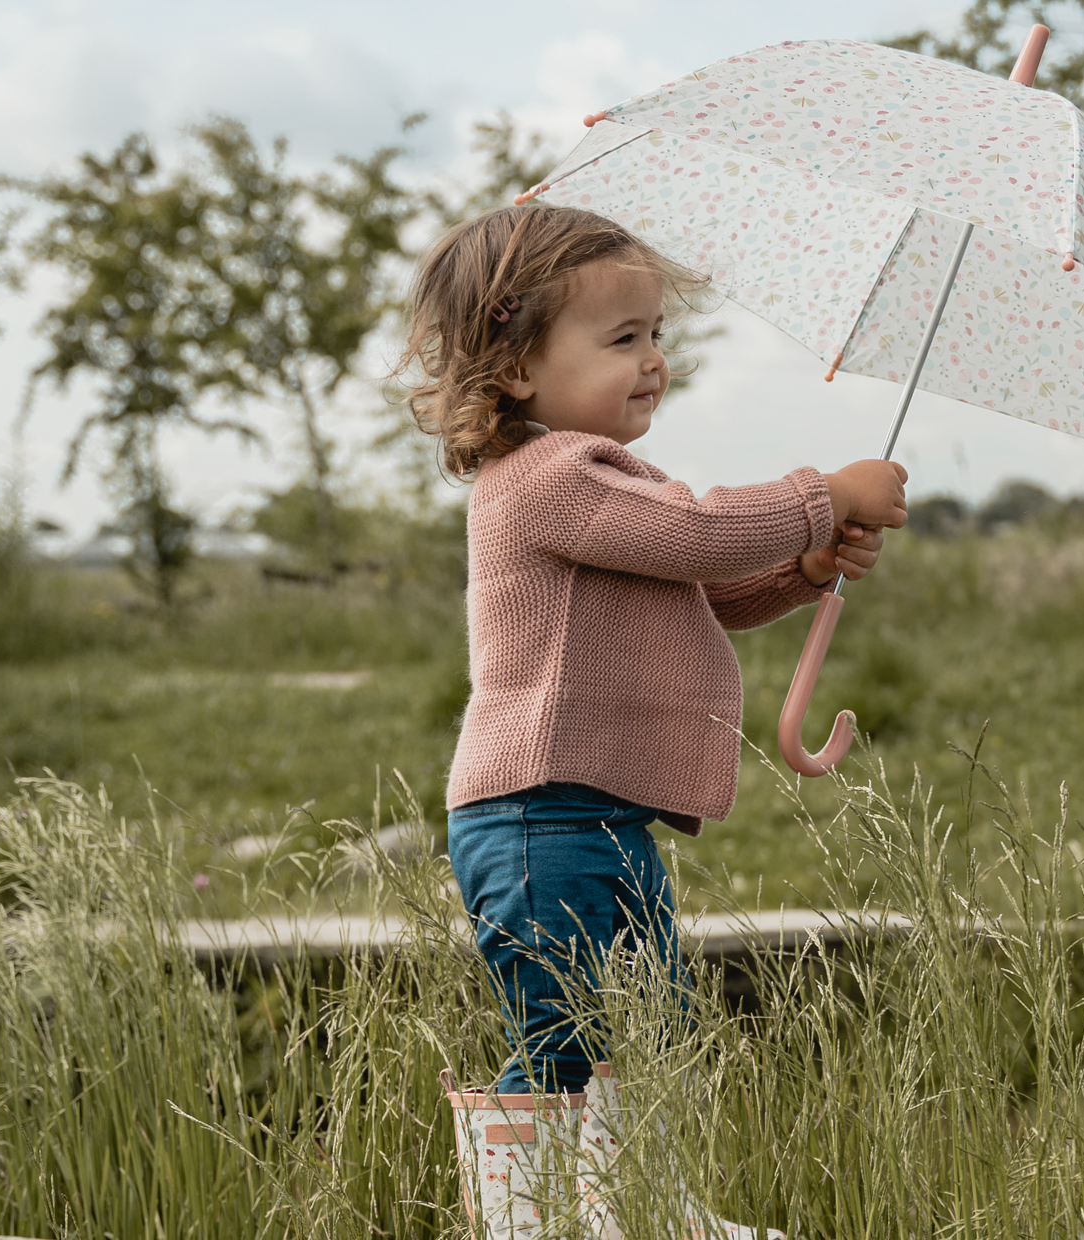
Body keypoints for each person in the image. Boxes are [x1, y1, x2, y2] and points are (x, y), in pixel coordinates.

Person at [398, 203, 908, 1239]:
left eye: (656, 335)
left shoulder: (604, 481)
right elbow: (700, 531)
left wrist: (800, 571)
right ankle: (525, 1226)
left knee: (654, 1022)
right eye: (621, 338)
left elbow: (697, 588)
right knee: (565, 1031)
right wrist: (824, 495)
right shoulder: (545, 478)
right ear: (515, 369)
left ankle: (644, 1209)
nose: (652, 360)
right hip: (541, 818)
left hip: (596, 819)